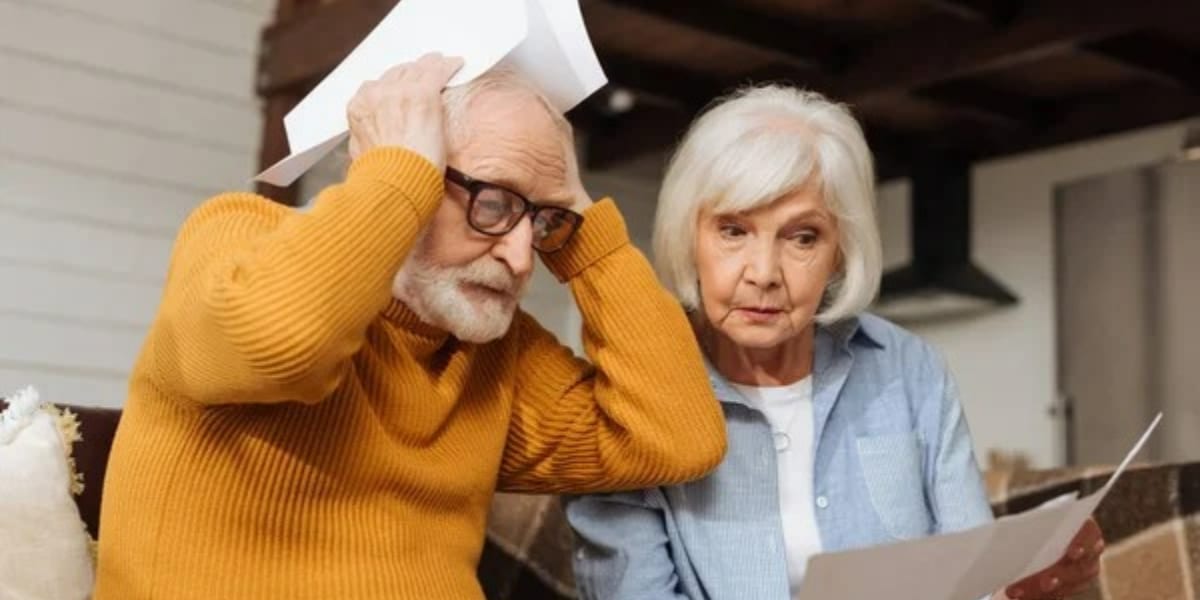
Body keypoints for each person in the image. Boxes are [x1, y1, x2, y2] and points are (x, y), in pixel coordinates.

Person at [93, 54, 727, 600]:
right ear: (406, 167)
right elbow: (281, 343)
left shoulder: (494, 349)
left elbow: (677, 436)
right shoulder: (237, 237)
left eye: (541, 224)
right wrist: (395, 169)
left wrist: (585, 232)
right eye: (495, 202)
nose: (521, 256)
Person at [565, 85, 1103, 600]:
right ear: (690, 236)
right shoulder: (635, 392)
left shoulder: (909, 371)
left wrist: (1020, 585)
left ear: (840, 253)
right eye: (733, 230)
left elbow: (970, 576)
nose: (764, 272)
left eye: (803, 237)